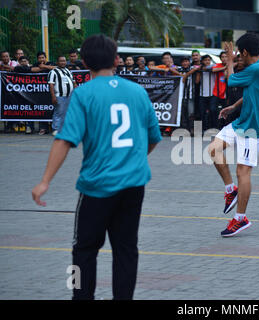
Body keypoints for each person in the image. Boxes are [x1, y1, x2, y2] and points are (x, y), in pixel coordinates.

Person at [31, 34, 162, 300]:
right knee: (126, 249)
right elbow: (153, 137)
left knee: (83, 249)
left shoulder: (84, 94)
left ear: (84, 62)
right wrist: (134, 160)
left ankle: (80, 296)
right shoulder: (136, 91)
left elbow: (65, 140)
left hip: (97, 186)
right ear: (116, 60)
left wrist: (45, 180)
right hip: (133, 184)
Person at [208, 33, 259, 237]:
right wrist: (234, 106)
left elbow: (230, 79)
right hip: (243, 120)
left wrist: (230, 61)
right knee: (214, 149)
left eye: (239, 54)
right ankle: (230, 190)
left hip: (254, 127)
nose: (238, 58)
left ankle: (241, 218)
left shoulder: (257, 68)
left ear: (244, 52)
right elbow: (253, 92)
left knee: (243, 172)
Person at [47, 55, 77, 135]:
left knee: (67, 113)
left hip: (69, 96)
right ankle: (56, 129)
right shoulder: (53, 72)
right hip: (59, 95)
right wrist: (53, 96)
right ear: (57, 62)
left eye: (64, 61)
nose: (63, 62)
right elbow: (51, 85)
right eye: (61, 61)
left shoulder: (68, 71)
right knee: (58, 113)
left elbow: (74, 82)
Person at [32, 52, 56, 135]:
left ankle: (54, 128)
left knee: (53, 109)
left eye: (43, 58)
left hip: (51, 90)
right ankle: (43, 128)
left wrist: (44, 66)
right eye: (39, 58)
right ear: (37, 59)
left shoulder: (50, 63)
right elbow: (31, 69)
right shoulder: (36, 64)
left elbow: (56, 68)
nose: (41, 59)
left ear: (46, 58)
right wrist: (42, 68)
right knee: (42, 108)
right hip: (40, 91)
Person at [196, 54, 216, 131]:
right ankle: (203, 129)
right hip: (202, 93)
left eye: (208, 60)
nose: (207, 61)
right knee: (202, 112)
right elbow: (197, 81)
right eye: (205, 60)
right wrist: (199, 71)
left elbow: (215, 68)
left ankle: (214, 127)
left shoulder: (213, 67)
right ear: (202, 61)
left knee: (213, 110)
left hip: (212, 93)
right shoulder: (200, 69)